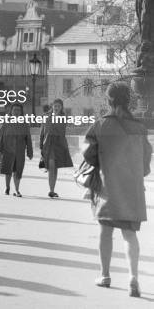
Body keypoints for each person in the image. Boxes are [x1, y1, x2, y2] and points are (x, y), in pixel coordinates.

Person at [82, 82, 152, 298]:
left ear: (109, 100)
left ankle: (104, 275)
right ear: (128, 100)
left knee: (105, 232)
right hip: (132, 187)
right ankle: (133, 277)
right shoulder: (139, 128)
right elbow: (146, 162)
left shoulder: (100, 125)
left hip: (107, 186)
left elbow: (88, 154)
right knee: (130, 234)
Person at [0, 102, 33, 197]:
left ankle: (17, 190)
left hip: (20, 151)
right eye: (14, 110)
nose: (16, 112)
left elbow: (28, 138)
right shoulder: (5, 122)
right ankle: (7, 187)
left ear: (21, 112)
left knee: (18, 170)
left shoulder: (24, 124)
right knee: (8, 170)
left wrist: (29, 151)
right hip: (7, 150)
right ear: (11, 111)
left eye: (18, 110)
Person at [39, 98, 73, 198]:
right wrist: (41, 146)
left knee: (55, 167)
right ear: (52, 106)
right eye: (55, 105)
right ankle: (51, 190)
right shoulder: (46, 117)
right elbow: (42, 132)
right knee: (51, 166)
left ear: (61, 107)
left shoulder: (64, 118)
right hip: (48, 144)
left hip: (59, 144)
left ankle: (52, 190)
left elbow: (62, 131)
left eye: (59, 106)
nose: (56, 107)